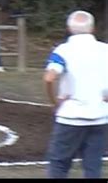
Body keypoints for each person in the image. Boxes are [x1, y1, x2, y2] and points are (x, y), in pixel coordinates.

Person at [44, 10, 108, 179]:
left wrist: (54, 102)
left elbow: (49, 78)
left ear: (69, 28)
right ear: (92, 28)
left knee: (59, 164)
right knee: (93, 167)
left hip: (70, 117)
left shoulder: (63, 50)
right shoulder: (105, 50)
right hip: (100, 116)